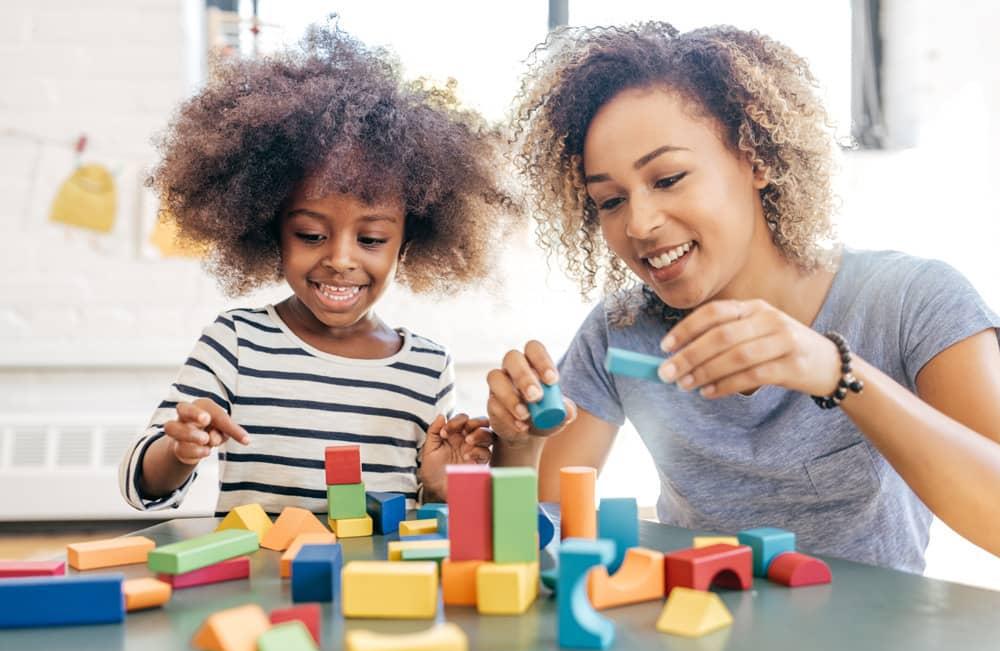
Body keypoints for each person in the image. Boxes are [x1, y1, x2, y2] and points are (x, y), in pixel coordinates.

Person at [488, 22, 1000, 572]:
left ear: (755, 159)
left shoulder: (911, 301)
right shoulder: (622, 329)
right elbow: (536, 538)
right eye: (610, 201)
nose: (638, 223)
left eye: (668, 178)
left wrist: (836, 371)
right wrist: (518, 444)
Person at [119, 23, 513, 515]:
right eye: (310, 234)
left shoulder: (427, 369)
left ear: (408, 243)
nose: (341, 259)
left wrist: (437, 488)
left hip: (373, 590)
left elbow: (418, 517)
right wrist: (179, 451)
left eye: (370, 239)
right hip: (262, 589)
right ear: (270, 230)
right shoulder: (236, 343)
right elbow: (143, 486)